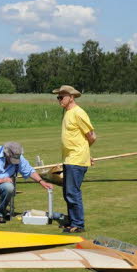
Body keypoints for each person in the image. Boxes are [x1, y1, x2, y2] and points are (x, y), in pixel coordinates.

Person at [0, 141, 53, 228]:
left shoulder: (19, 157)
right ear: (6, 153)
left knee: (9, 187)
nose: (15, 161)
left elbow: (29, 171)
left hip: (1, 185)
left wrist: (41, 181)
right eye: (12, 159)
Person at [54, 84, 96, 233]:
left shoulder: (79, 113)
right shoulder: (67, 113)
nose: (59, 99)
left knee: (72, 192)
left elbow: (91, 137)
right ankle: (72, 221)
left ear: (71, 97)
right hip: (69, 159)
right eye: (58, 97)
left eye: (61, 97)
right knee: (67, 192)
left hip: (76, 160)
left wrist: (84, 153)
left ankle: (78, 224)